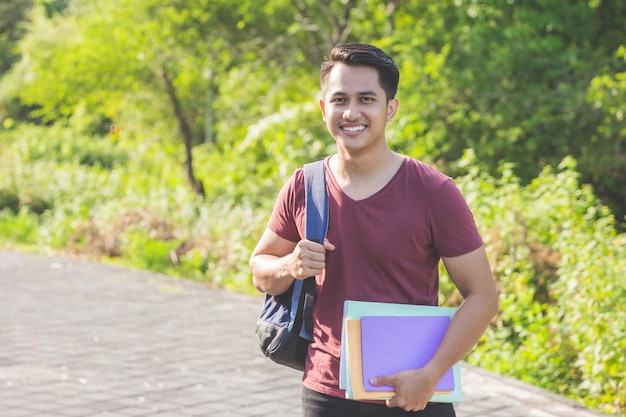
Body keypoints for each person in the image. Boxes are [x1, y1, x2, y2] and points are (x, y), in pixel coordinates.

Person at [249, 43, 498, 417]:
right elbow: (260, 268)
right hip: (326, 394)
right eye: (340, 99)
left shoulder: (434, 192)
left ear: (390, 108)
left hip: (415, 392)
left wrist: (430, 375)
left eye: (366, 99)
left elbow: (482, 297)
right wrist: (290, 266)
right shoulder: (305, 185)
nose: (352, 112)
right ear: (323, 109)